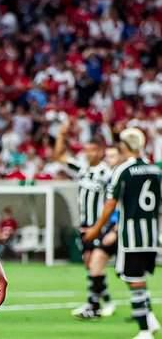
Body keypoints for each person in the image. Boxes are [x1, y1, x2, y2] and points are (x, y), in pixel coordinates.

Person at [85, 128, 161, 339]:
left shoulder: (123, 170)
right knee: (132, 276)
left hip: (131, 237)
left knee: (134, 279)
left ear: (124, 146)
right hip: (151, 235)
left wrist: (96, 229)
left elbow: (110, 204)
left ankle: (145, 330)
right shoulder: (155, 169)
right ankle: (150, 318)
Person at [52, 119, 115, 319]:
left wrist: (111, 225)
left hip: (101, 225)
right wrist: (61, 135)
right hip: (85, 224)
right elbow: (59, 156)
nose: (89, 154)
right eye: (86, 150)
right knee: (90, 264)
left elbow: (115, 199)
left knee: (94, 263)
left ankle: (93, 305)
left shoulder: (107, 173)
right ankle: (107, 300)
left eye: (93, 150)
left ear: (100, 151)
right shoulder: (82, 168)